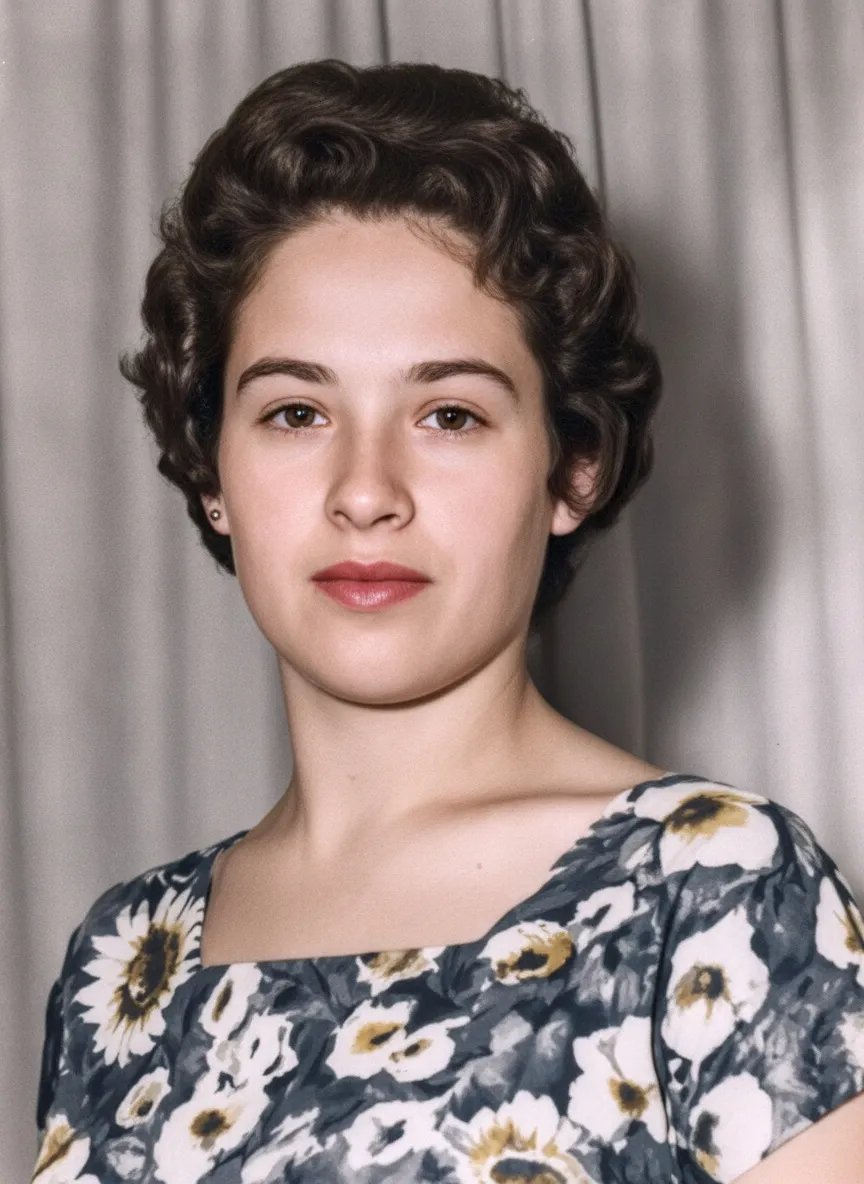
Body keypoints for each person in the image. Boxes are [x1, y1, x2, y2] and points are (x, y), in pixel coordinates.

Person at [32, 59, 864, 1184]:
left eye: (451, 414)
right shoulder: (125, 956)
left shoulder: (717, 892)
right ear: (210, 465)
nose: (365, 490)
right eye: (295, 411)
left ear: (571, 467)